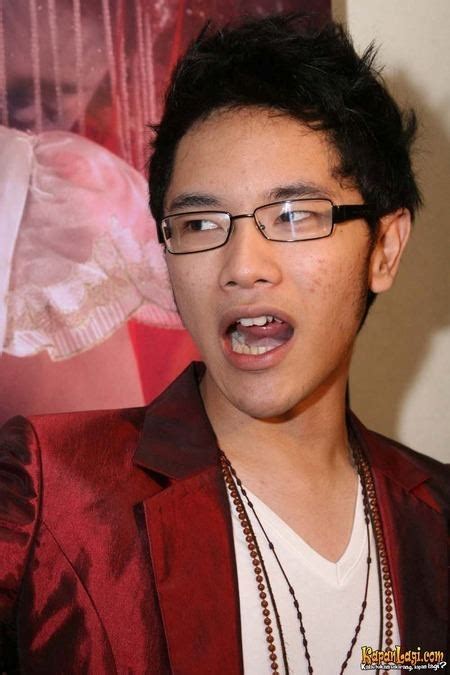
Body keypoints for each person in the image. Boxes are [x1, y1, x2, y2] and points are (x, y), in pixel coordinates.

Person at [0, 13, 448, 675]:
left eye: (293, 216)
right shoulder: (53, 493)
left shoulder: (437, 518)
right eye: (201, 223)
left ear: (384, 248)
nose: (242, 266)